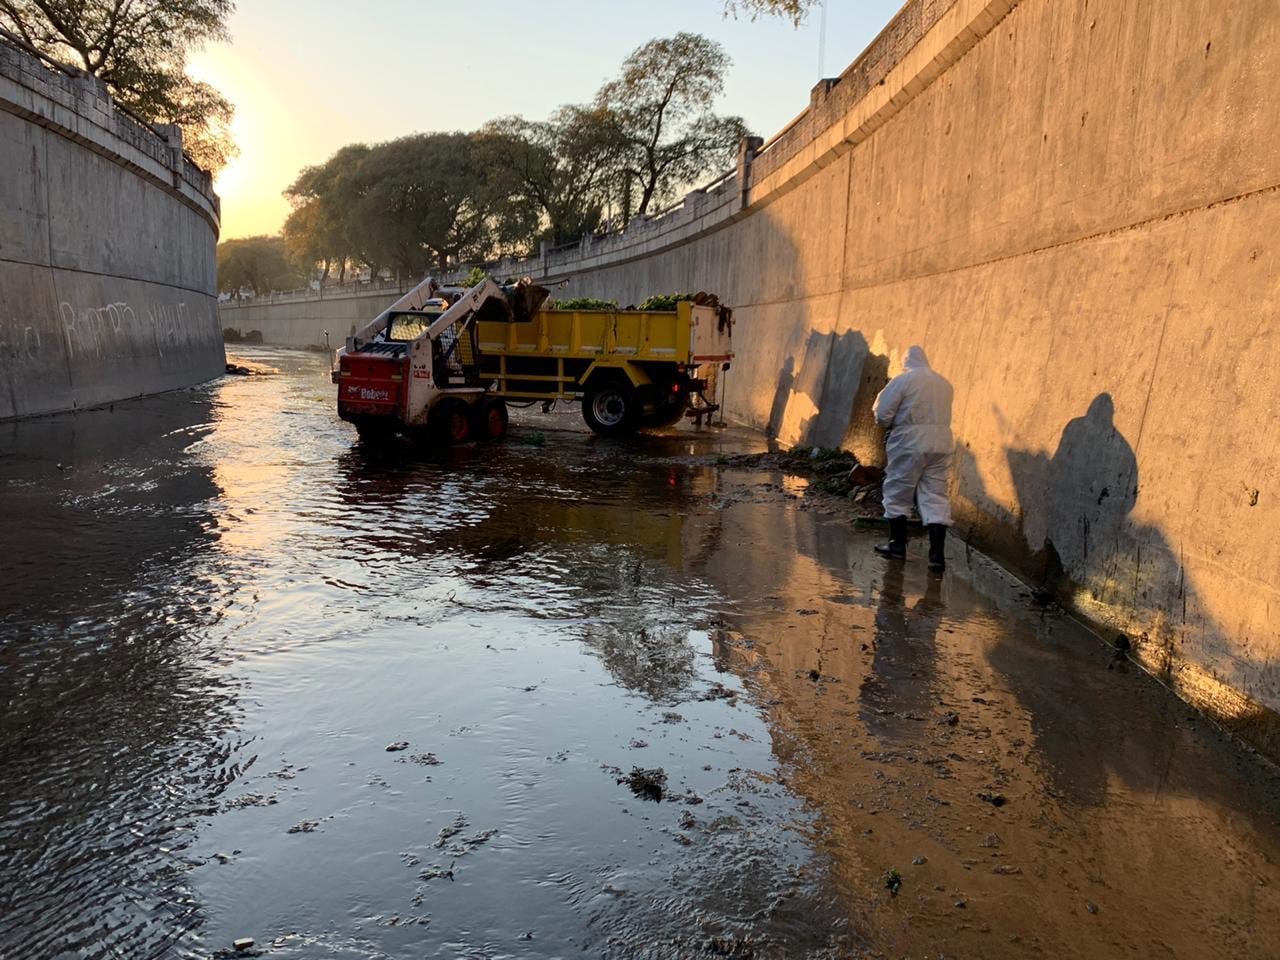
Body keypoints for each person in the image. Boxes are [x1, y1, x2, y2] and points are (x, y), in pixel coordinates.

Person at [871, 345, 954, 570]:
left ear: (906, 361)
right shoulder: (944, 383)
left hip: (909, 441)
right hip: (940, 441)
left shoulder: (903, 380)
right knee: (935, 494)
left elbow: (882, 412)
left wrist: (888, 426)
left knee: (898, 489)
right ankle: (937, 556)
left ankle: (897, 545)